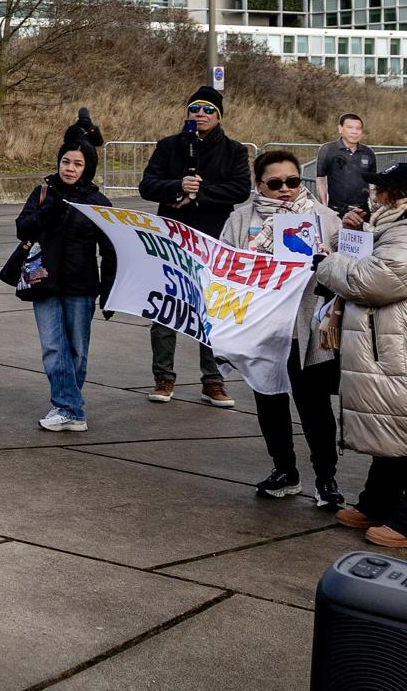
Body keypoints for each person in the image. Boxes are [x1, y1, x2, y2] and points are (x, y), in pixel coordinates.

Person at [227, 149, 345, 506]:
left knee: (315, 407)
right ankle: (284, 470)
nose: (285, 190)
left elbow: (346, 270)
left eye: (292, 181)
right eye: (274, 183)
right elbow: (226, 266)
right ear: (258, 184)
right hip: (263, 329)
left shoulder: (325, 218)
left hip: (307, 328)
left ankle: (326, 478)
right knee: (270, 403)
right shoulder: (241, 219)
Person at [137, 87, 249, 407]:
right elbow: (147, 185)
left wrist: (199, 193)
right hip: (171, 239)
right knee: (165, 308)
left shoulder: (234, 150)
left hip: (213, 241)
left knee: (210, 311)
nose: (200, 113)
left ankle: (212, 380)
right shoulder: (168, 145)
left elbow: (240, 189)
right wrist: (177, 187)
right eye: (195, 108)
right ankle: (163, 377)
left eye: (208, 109)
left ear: (218, 116)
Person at [319, 162, 407, 549]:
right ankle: (377, 503)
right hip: (387, 348)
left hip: (396, 349)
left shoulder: (404, 233)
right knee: (392, 429)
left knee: (403, 429)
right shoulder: (388, 226)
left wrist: (325, 262)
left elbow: (372, 279)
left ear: (400, 197)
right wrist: (351, 234)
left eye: (381, 189)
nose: (372, 194)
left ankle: (404, 519)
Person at [14, 139, 117, 432]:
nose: (70, 168)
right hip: (44, 281)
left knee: (77, 350)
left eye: (77, 163)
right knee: (52, 347)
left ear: (87, 168)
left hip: (81, 285)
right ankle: (71, 408)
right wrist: (50, 209)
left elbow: (111, 250)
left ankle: (66, 405)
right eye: (65, 162)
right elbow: (22, 228)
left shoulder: (98, 202)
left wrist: (109, 292)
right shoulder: (44, 192)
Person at [318, 114, 378, 216]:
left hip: (362, 210)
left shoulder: (368, 152)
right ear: (340, 129)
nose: (354, 132)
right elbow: (321, 180)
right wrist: (324, 208)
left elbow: (372, 183)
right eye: (350, 127)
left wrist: (375, 207)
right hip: (336, 210)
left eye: (358, 128)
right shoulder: (327, 150)